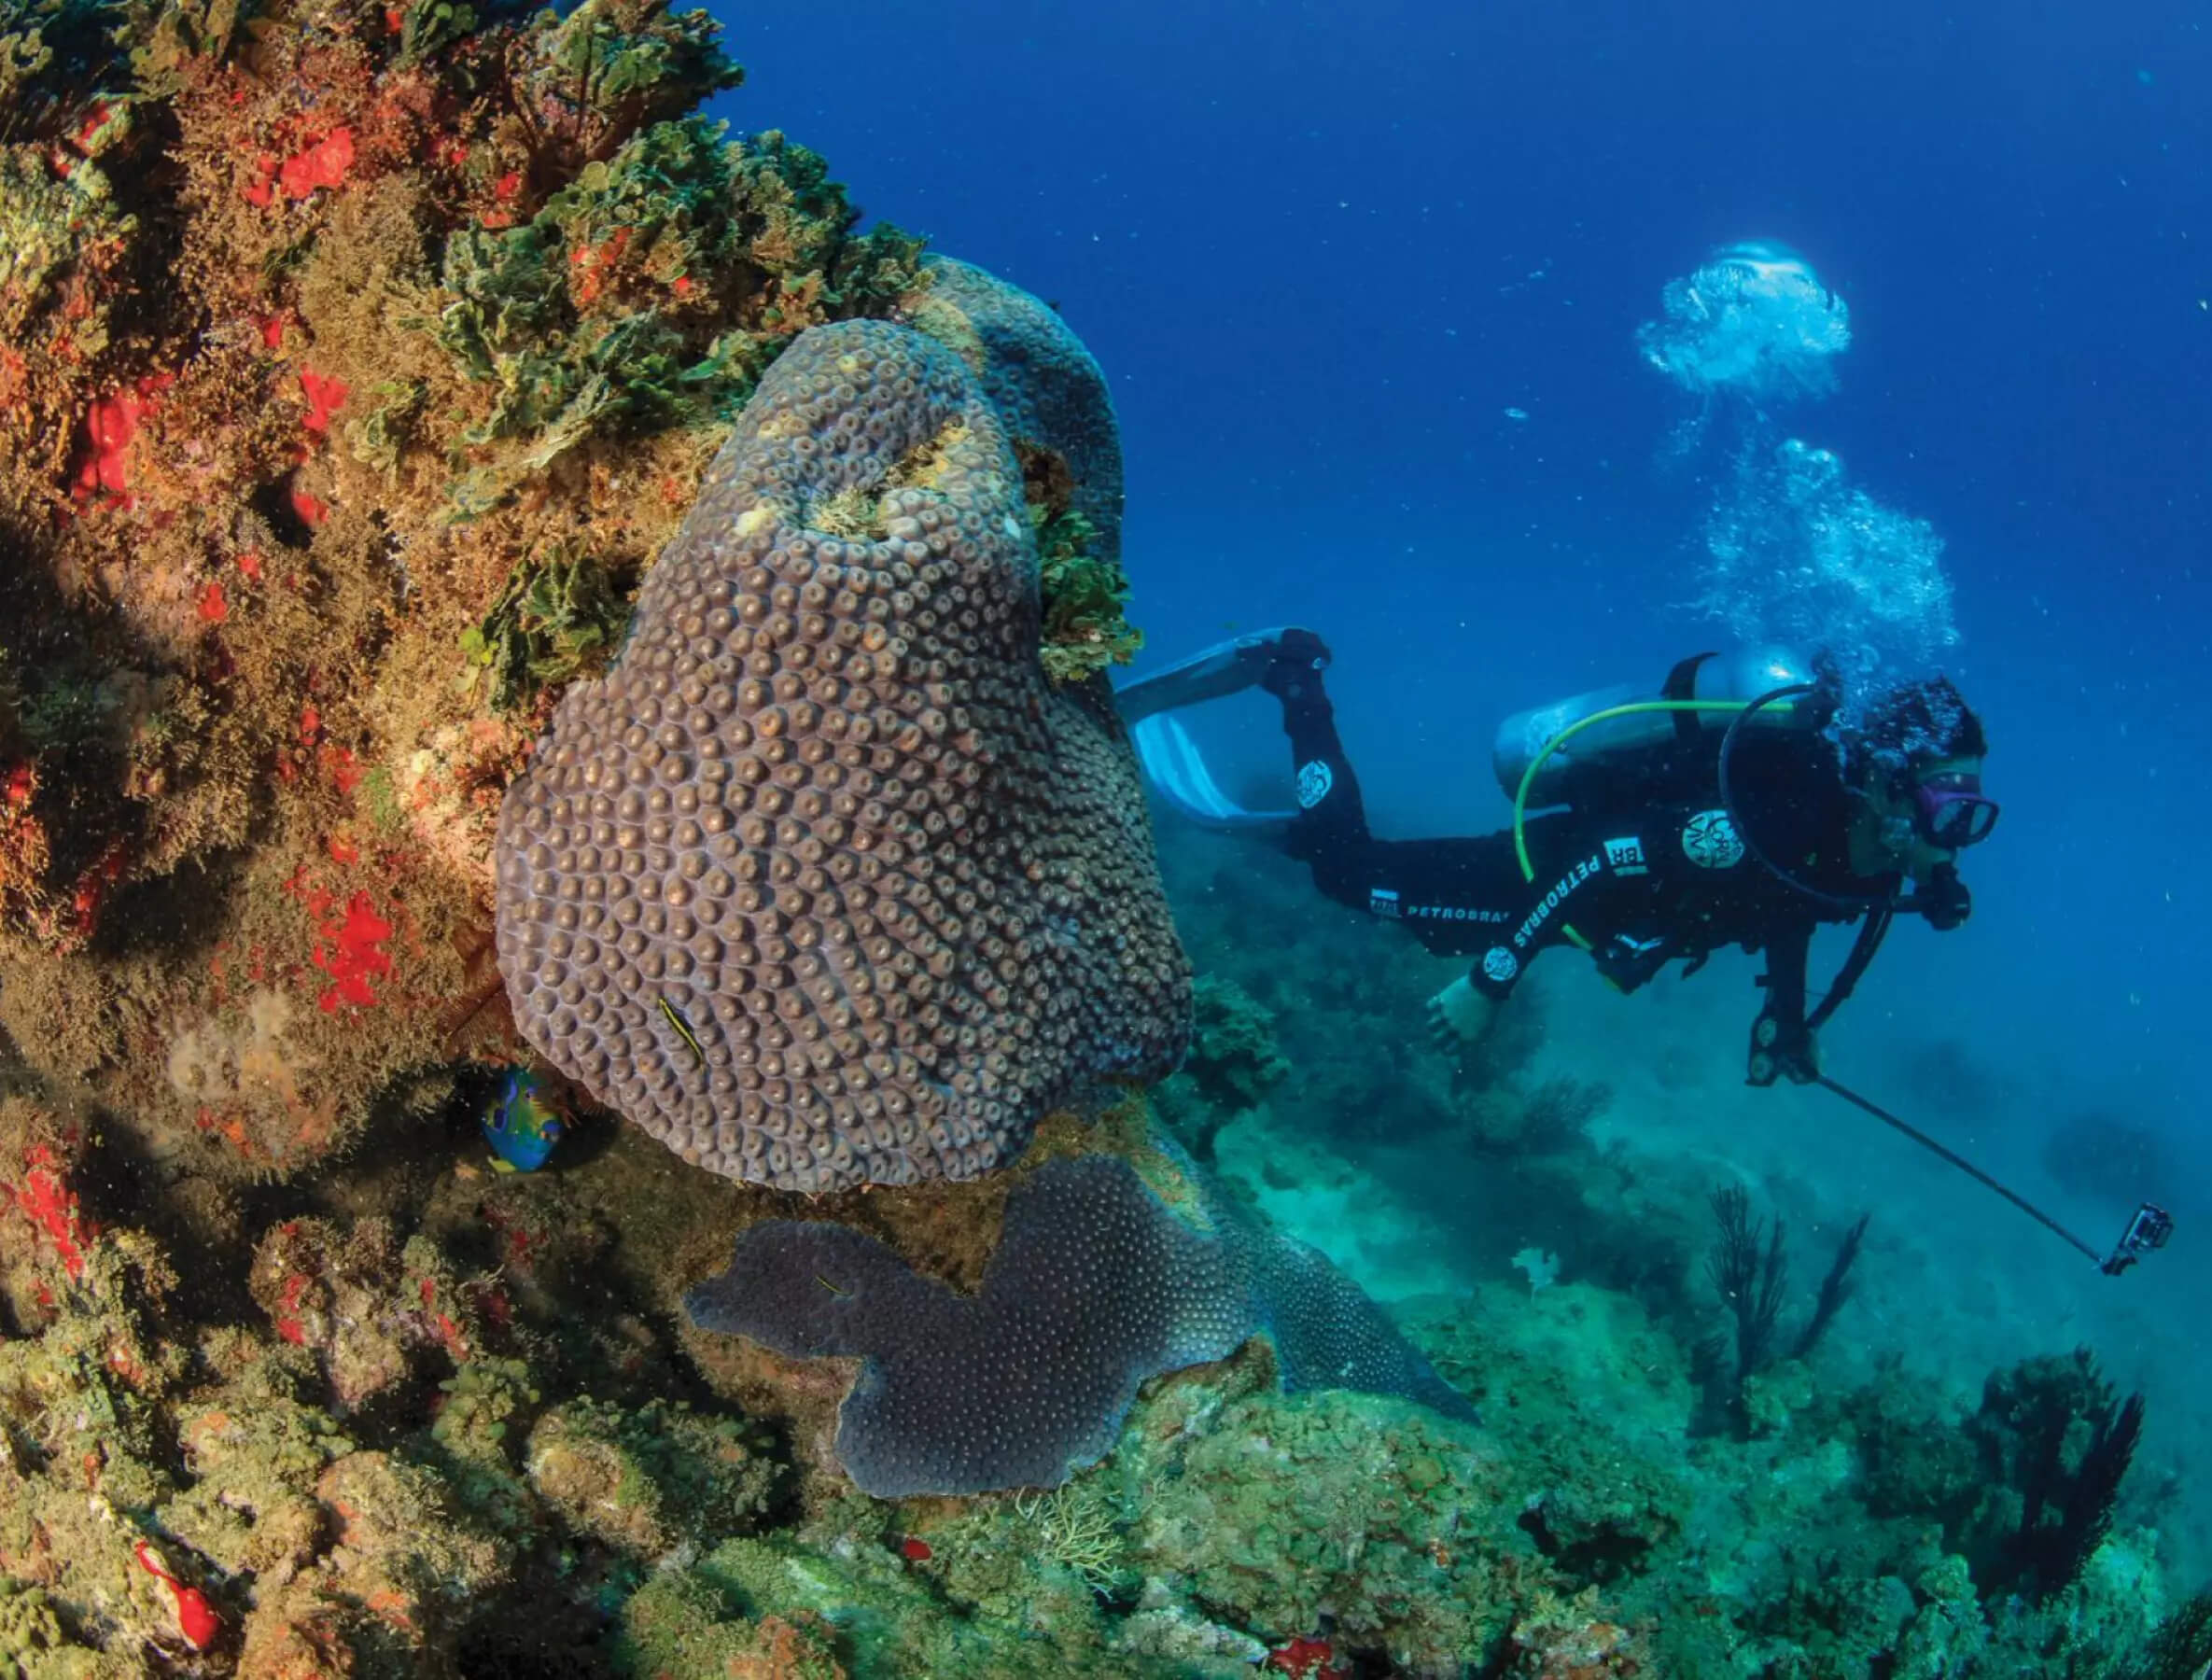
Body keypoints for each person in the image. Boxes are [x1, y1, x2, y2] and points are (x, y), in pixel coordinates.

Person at [1124, 630, 1995, 1086]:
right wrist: (1491, 981)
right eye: (1945, 802)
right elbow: (1606, 857)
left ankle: (1305, 826)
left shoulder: (1864, 856)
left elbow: (1790, 910)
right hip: (1551, 875)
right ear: (1886, 783)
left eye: (1969, 807)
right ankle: (1296, 679)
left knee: (1369, 881)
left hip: (1590, 909)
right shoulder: (1768, 821)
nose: (1955, 830)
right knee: (1350, 875)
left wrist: (1790, 1020)